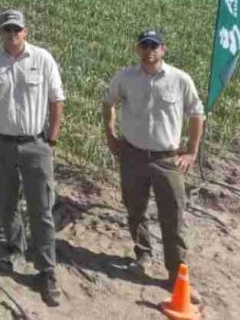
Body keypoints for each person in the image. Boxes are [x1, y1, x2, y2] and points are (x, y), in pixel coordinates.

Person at [0, 9, 65, 306]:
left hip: (36, 144)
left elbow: (57, 100)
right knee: (6, 202)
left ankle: (47, 270)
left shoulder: (43, 59)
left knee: (41, 208)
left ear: (26, 31)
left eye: (17, 29)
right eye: (7, 30)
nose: (12, 34)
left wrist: (51, 139)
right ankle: (15, 248)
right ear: (1, 33)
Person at [102, 29, 204, 302]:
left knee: (173, 217)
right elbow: (108, 103)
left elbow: (197, 114)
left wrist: (192, 152)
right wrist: (111, 136)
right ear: (138, 49)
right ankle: (143, 256)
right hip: (133, 156)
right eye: (144, 46)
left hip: (166, 160)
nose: (149, 51)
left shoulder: (180, 79)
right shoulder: (125, 77)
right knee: (135, 210)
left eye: (154, 46)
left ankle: (176, 275)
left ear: (163, 49)